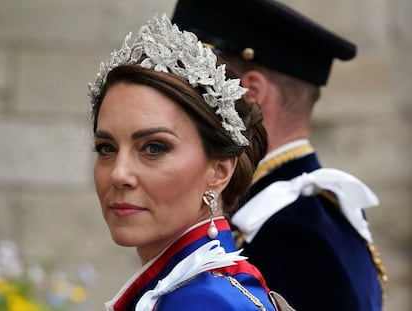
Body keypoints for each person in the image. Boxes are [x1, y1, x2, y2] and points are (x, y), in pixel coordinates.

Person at [172, 0, 388, 310]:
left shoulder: (289, 233)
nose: (175, 106)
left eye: (193, 89)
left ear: (249, 93)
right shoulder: (314, 210)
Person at [88, 14, 295, 311]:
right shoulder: (198, 288)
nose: (119, 174)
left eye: (154, 147)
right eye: (106, 148)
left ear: (219, 171)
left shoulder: (201, 301)